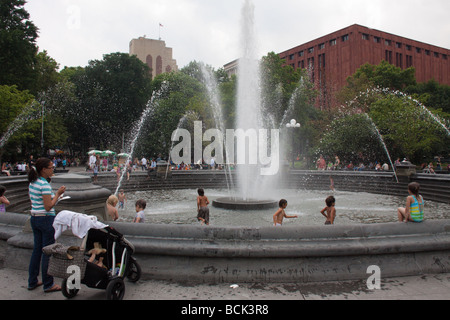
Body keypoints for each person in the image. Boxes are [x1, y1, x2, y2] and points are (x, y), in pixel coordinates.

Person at [28, 158, 66, 293]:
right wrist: (58, 194)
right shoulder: (44, 185)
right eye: (51, 167)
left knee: (37, 251)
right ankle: (48, 284)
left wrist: (54, 198)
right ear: (44, 169)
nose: (53, 169)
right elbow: (48, 206)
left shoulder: (33, 182)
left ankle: (32, 281)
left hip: (35, 218)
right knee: (47, 252)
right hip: (45, 220)